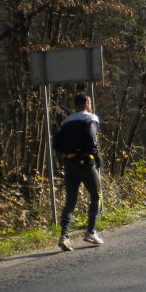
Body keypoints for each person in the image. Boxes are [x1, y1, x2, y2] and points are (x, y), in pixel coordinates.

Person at [53, 92, 104, 251]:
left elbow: (56, 143)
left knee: (70, 201)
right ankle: (90, 232)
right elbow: (91, 138)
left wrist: (69, 152)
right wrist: (96, 155)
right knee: (96, 195)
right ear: (88, 104)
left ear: (75, 105)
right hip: (85, 162)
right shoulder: (91, 118)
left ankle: (64, 236)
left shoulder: (66, 121)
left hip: (69, 163)